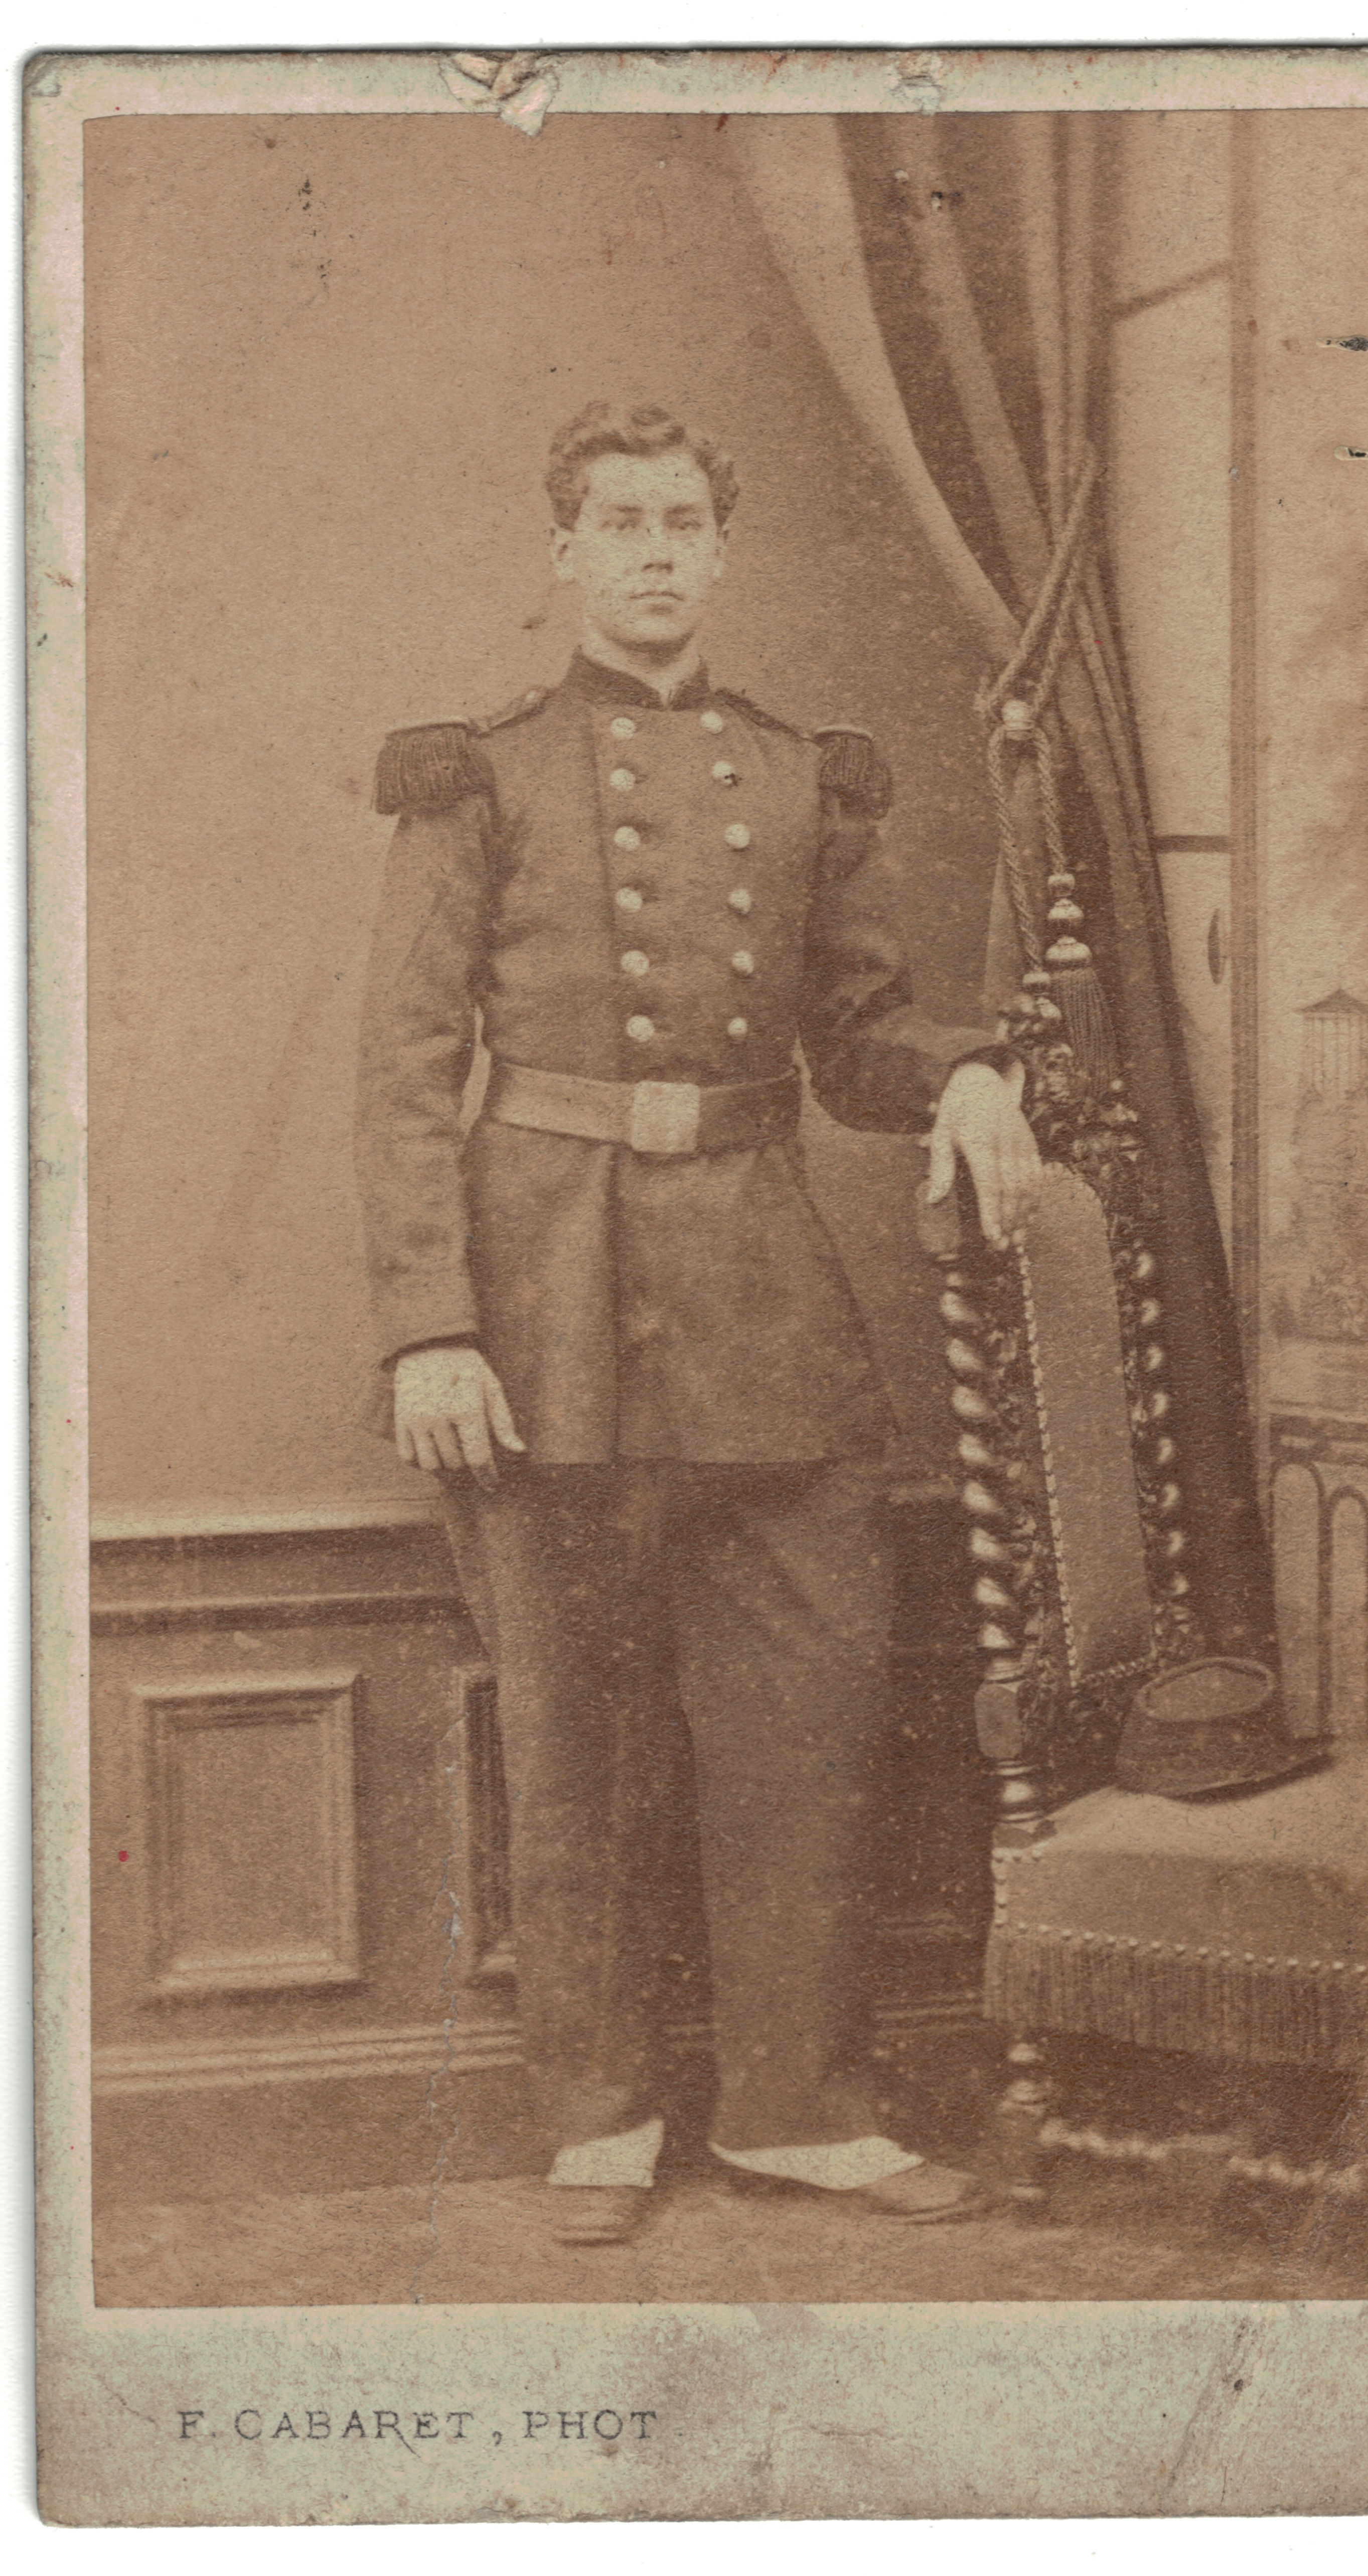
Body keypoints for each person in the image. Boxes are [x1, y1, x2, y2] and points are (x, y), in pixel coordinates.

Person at [356, 399, 1044, 2245]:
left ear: (720, 553)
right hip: (544, 1302)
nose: (656, 551)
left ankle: (799, 2110)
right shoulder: (478, 775)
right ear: (564, 552)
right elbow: (411, 1075)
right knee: (571, 1732)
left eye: (683, 522)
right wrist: (432, 1325)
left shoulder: (802, 772)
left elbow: (861, 1034)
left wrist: (967, 1077)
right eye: (619, 521)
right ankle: (595, 2115)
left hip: (758, 1293)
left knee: (808, 1720)